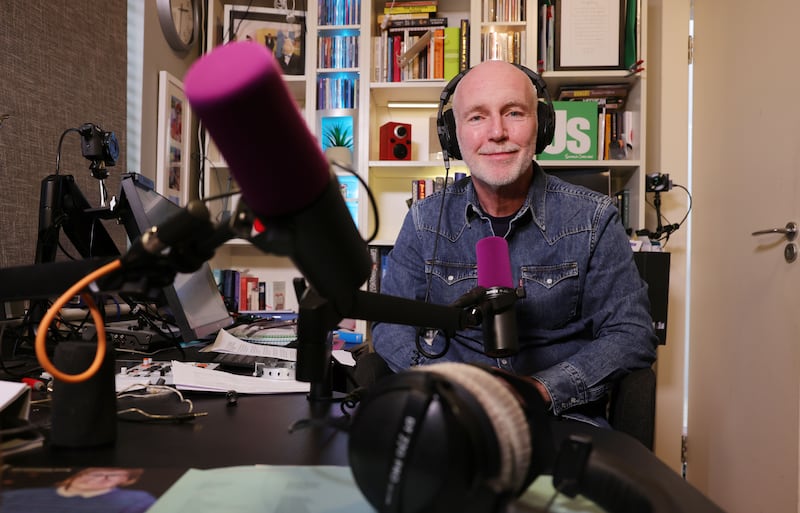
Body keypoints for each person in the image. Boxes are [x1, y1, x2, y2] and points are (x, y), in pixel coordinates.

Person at [370, 60, 658, 427]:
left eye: (514, 113)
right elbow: (389, 326)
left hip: (559, 417)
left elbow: (631, 334)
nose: (497, 132)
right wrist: (455, 387)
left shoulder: (594, 219)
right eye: (476, 117)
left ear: (542, 125)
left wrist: (539, 391)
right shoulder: (425, 221)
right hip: (453, 416)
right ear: (452, 135)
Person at [0, 467, 156, 513]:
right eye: (95, 473)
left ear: (127, 480)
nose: (100, 478)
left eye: (113, 475)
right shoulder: (17, 496)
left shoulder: (136, 500)